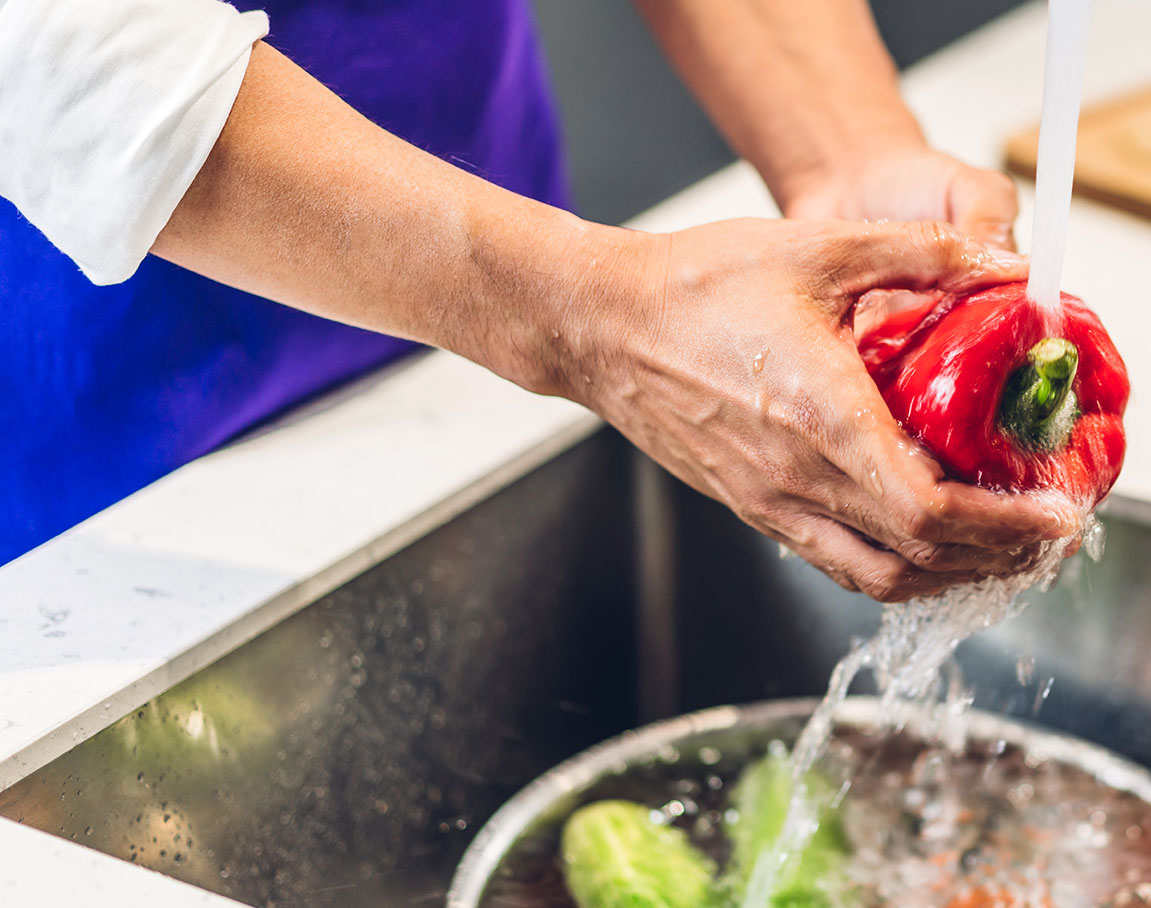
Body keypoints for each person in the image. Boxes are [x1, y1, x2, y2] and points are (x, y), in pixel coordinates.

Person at [0, 0, 1076, 597]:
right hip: (111, 424)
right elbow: (60, 46)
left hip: (494, 328)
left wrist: (844, 159)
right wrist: (589, 319)